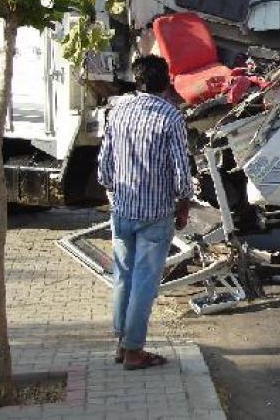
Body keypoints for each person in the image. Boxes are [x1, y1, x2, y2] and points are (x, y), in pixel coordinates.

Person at [98, 55, 194, 369]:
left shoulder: (118, 112)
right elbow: (182, 174)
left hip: (122, 209)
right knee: (143, 282)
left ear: (136, 81)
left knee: (122, 277)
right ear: (166, 82)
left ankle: (121, 344)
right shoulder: (171, 117)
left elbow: (104, 168)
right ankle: (134, 351)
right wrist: (182, 207)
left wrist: (115, 195)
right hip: (155, 214)